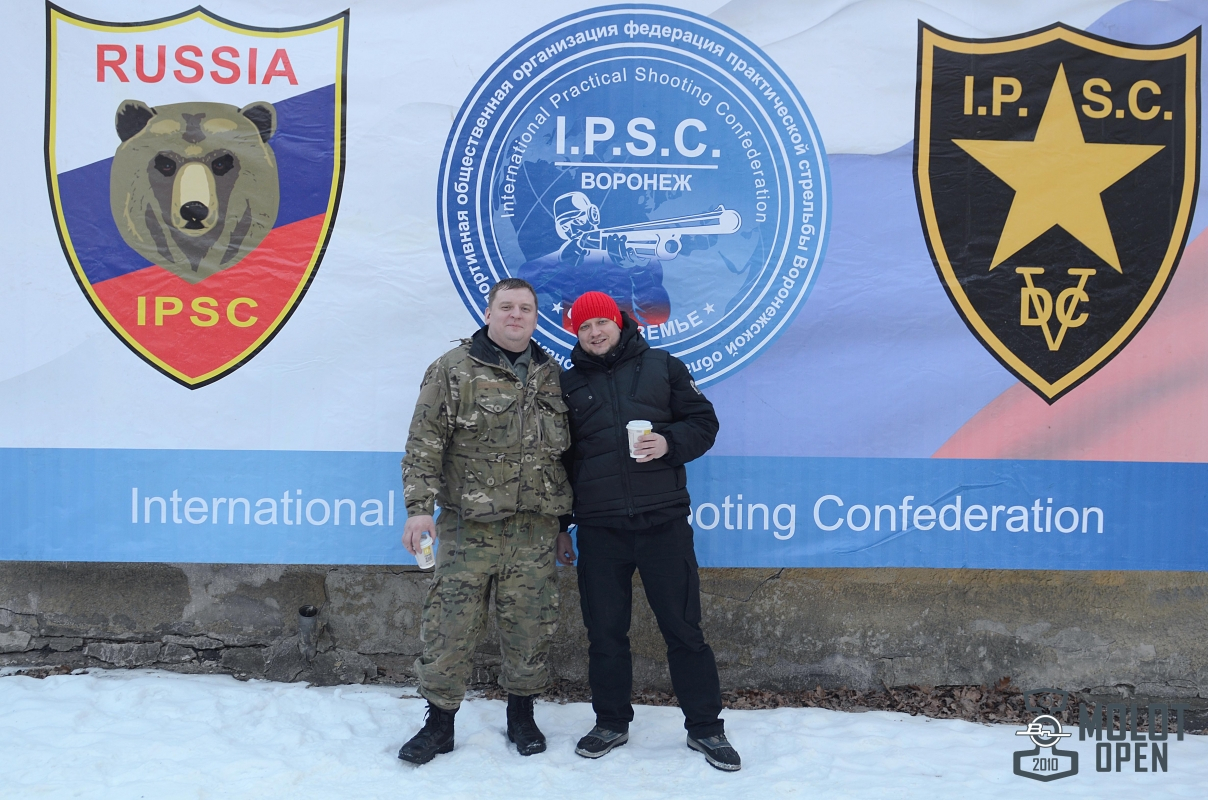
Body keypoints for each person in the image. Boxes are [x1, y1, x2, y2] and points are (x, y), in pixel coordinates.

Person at [554, 290, 741, 771]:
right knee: (605, 633)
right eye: (584, 327)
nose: (594, 332)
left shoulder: (664, 366)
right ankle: (610, 722)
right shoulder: (567, 385)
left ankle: (706, 728)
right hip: (600, 529)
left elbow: (704, 422)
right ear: (577, 334)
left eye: (601, 322)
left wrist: (668, 441)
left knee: (684, 630)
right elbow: (561, 462)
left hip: (663, 523)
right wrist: (562, 525)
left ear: (619, 322)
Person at [397, 278, 573, 765]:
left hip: (534, 529)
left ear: (536, 318)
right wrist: (418, 509)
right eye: (506, 306)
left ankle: (522, 716)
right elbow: (424, 442)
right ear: (489, 312)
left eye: (525, 308)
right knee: (450, 625)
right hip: (469, 527)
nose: (516, 315)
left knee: (530, 625)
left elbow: (565, 458)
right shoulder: (453, 369)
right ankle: (439, 724)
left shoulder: (553, 375)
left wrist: (563, 523)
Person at [518, 191, 671, 329]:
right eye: (565, 226)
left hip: (624, 339)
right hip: (579, 338)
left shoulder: (638, 255)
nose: (573, 230)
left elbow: (656, 315)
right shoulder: (567, 256)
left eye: (578, 220)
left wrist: (638, 269)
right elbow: (525, 277)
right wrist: (565, 257)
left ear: (593, 215)